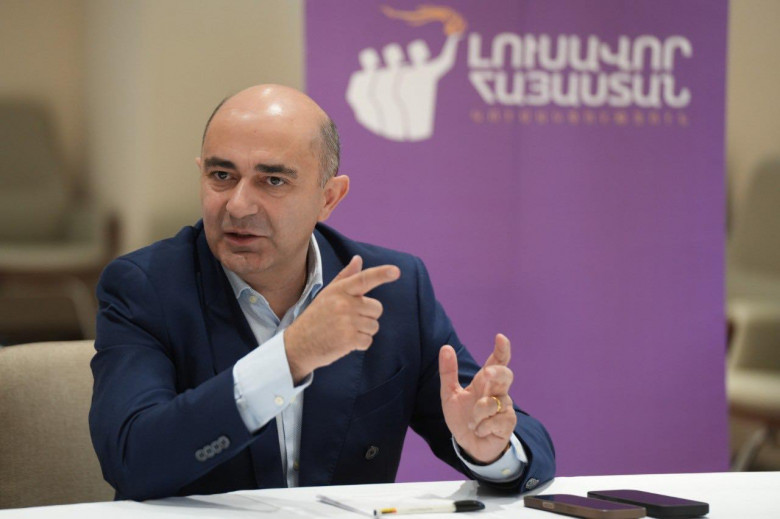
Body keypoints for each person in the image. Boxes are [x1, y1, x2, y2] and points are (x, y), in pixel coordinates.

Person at [89, 84, 555, 501]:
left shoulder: (392, 290)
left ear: (328, 198)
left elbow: (515, 437)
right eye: (222, 176)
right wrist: (290, 357)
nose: (239, 204)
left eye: (273, 180)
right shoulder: (145, 287)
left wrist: (490, 449)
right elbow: (132, 460)